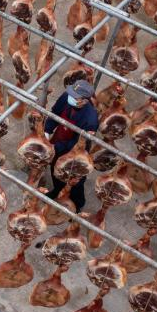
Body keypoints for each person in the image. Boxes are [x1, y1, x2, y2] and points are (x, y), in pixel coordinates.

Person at [43, 79, 99, 213]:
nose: (71, 97)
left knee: (76, 179)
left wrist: (56, 147)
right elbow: (54, 113)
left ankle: (78, 203)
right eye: (71, 93)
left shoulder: (91, 119)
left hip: (76, 149)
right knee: (55, 168)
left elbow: (78, 142)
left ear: (84, 101)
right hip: (60, 137)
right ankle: (57, 190)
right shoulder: (66, 97)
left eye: (75, 97)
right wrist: (47, 131)